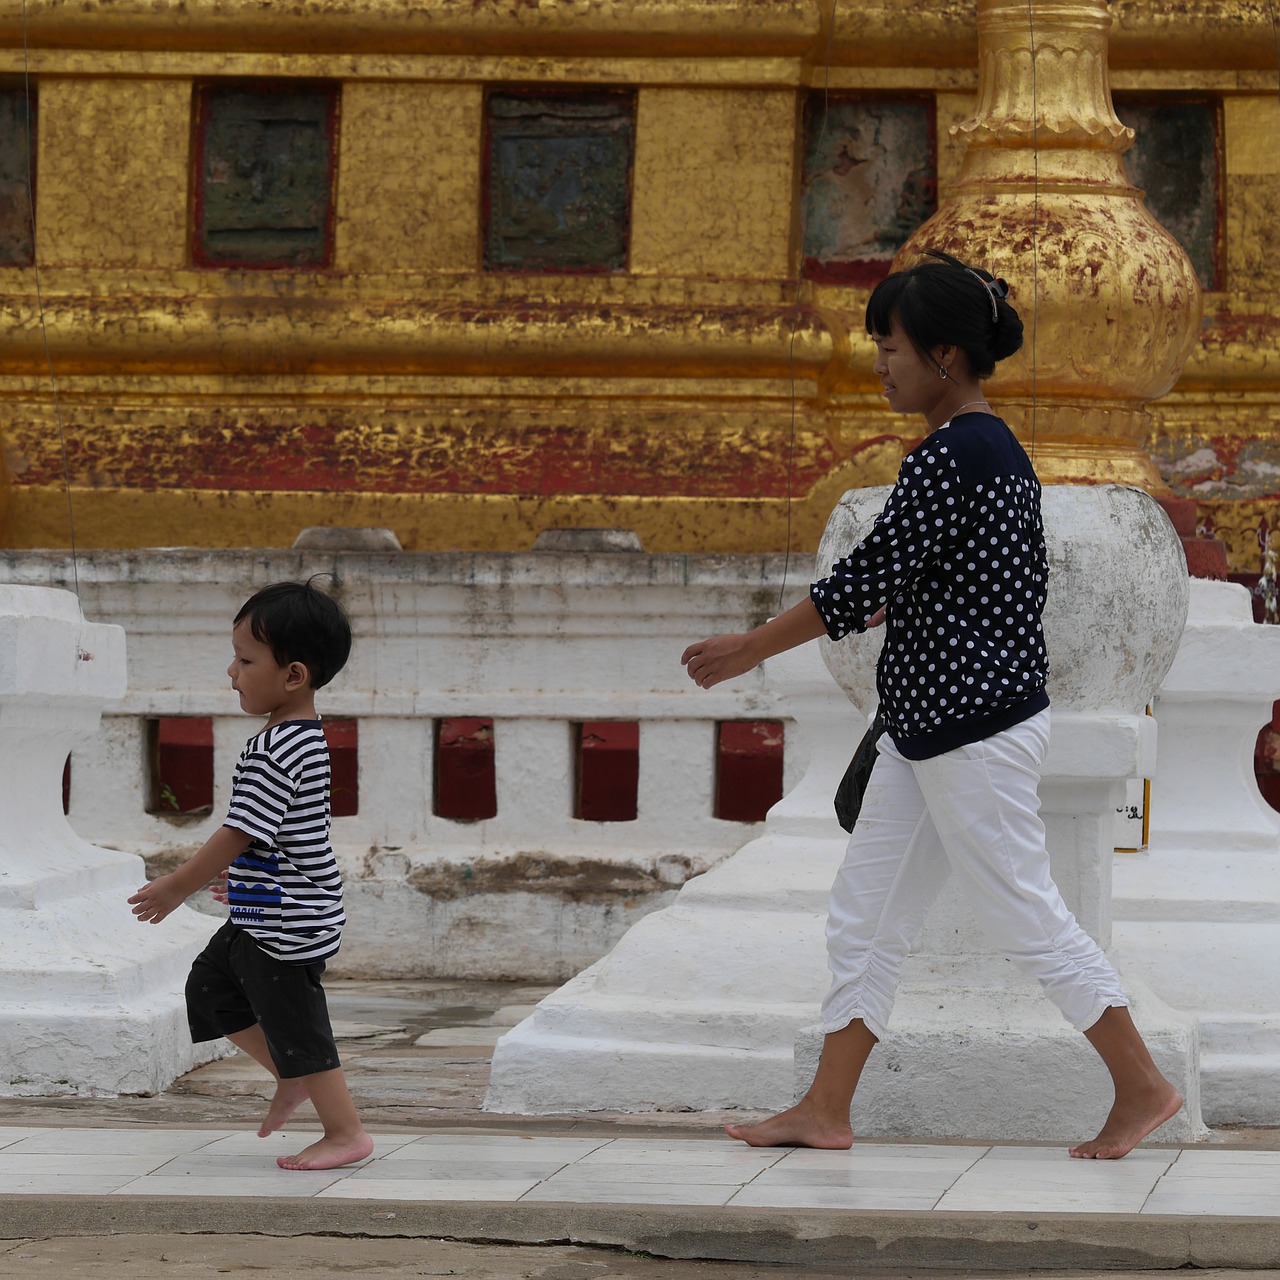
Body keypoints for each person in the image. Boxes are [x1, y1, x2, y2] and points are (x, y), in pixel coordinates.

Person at [680, 250, 1182, 1160]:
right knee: (865, 913)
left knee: (1024, 909)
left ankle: (1142, 1085)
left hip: (973, 733)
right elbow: (893, 586)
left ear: (945, 356)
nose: (880, 362)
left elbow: (861, 582)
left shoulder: (962, 450)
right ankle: (826, 1109)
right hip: (929, 731)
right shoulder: (974, 449)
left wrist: (749, 647)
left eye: (892, 346)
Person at [129, 579, 373, 1172]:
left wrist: (176, 886)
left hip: (289, 922)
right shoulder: (287, 737)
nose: (231, 672)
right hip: (266, 910)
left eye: (244, 659)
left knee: (300, 1025)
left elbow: (240, 832)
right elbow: (264, 833)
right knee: (210, 993)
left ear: (293, 675)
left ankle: (345, 1133)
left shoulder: (280, 749)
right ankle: (292, 1074)